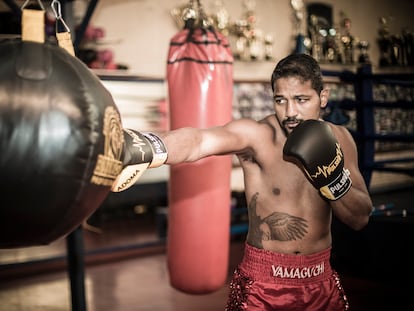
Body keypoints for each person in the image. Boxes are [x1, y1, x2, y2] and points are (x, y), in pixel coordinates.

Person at [119, 53, 373, 310]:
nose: (290, 112)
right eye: (280, 100)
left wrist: (333, 178)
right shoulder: (258, 136)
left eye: (301, 100)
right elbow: (199, 141)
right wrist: (147, 146)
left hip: (321, 281)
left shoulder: (341, 139)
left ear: (323, 97)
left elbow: (360, 218)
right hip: (264, 286)